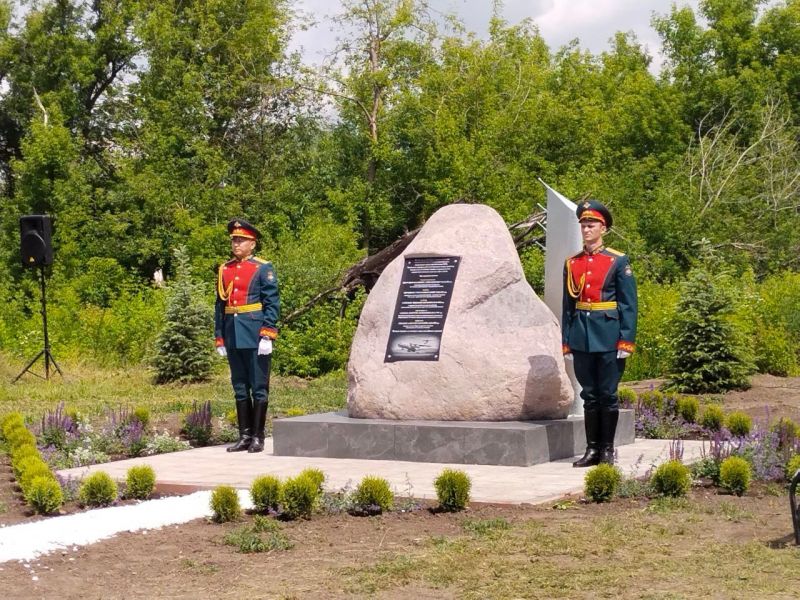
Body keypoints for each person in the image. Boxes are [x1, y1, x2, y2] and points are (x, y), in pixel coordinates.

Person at [562, 199, 637, 467]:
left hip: (608, 335)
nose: (586, 229)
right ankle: (592, 450)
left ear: (603, 228)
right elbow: (568, 306)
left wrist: (626, 340)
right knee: (589, 395)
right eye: (583, 224)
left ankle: (607, 450)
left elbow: (629, 304)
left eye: (591, 224)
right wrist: (567, 342)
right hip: (582, 336)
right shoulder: (572, 263)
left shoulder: (617, 261)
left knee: (607, 394)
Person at [214, 219, 280, 453]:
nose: (236, 244)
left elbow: (272, 303)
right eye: (233, 240)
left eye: (241, 240)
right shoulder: (225, 269)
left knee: (259, 386)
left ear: (253, 244)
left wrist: (268, 334)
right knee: (240, 386)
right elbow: (219, 306)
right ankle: (244, 436)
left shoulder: (263, 268)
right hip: (233, 334)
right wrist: (219, 336)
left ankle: (258, 437)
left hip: (255, 333)